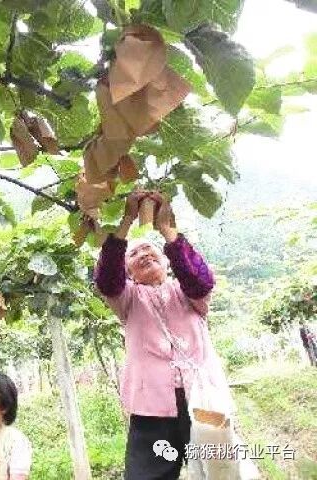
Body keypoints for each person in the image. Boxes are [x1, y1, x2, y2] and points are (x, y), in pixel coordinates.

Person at [93, 191, 231, 480]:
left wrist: (167, 230)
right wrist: (127, 219)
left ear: (168, 262)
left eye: (149, 249)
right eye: (134, 254)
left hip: (203, 397)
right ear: (129, 273)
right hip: (152, 408)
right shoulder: (127, 299)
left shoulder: (188, 292)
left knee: (219, 472)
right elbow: (108, 279)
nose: (143, 254)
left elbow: (200, 280)